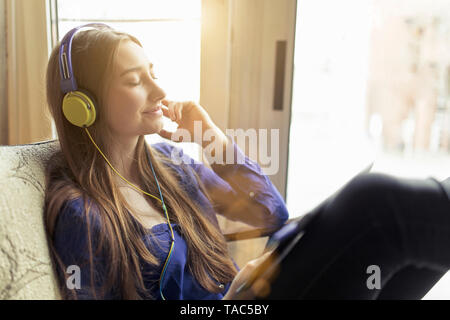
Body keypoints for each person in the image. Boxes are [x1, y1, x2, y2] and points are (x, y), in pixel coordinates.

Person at [44, 24, 450, 300]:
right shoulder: (83, 214)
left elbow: (270, 212)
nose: (159, 89)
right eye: (135, 81)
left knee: (399, 259)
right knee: (373, 206)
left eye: (153, 73)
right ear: (84, 106)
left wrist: (210, 137)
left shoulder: (167, 165)